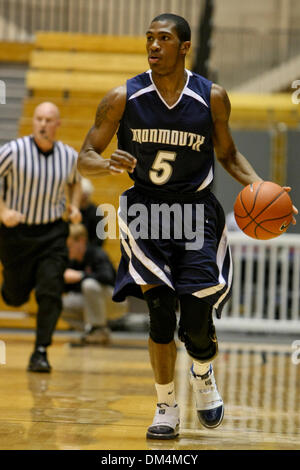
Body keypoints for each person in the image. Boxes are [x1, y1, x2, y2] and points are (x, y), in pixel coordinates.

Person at [77, 13, 297, 439]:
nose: (154, 46)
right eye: (149, 39)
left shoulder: (211, 97)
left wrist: (267, 189)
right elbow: (85, 152)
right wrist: (105, 164)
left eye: (164, 39)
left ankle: (202, 370)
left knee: (196, 325)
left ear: (184, 47)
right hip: (145, 213)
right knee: (159, 313)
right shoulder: (122, 97)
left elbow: (229, 155)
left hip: (196, 214)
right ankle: (166, 406)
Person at [0, 101, 82, 373]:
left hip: (51, 234)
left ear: (57, 125)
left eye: (49, 120)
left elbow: (76, 181)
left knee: (50, 290)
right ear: (33, 122)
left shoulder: (68, 156)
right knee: (14, 296)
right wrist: (3, 211)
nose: (43, 124)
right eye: (39, 119)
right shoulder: (13, 151)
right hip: (16, 234)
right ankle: (14, 289)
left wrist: (75, 206)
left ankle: (40, 350)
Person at [62, 223, 116, 345]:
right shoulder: (72, 261)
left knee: (89, 284)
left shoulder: (97, 254)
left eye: (70, 245)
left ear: (81, 241)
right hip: (91, 304)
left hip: (114, 302)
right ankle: (96, 331)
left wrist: (80, 275)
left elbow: (107, 277)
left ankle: (97, 329)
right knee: (59, 304)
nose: (67, 249)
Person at [79, 177, 105, 246]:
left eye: (85, 195)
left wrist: (87, 249)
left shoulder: (96, 212)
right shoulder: (75, 211)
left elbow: (100, 236)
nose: (83, 198)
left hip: (92, 248)